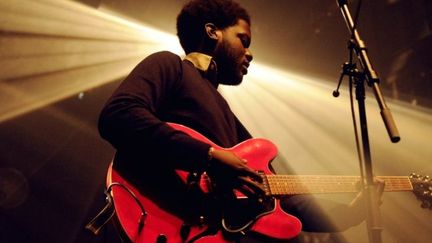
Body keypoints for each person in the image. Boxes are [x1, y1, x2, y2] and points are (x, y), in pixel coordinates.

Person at [98, 0, 381, 242]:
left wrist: (351, 214)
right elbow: (119, 116)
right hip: (162, 217)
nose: (250, 52)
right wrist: (209, 157)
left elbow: (285, 197)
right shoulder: (170, 66)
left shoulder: (228, 117)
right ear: (212, 32)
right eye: (242, 40)